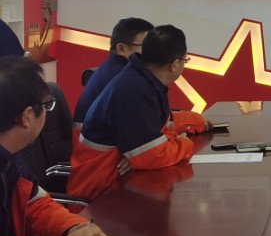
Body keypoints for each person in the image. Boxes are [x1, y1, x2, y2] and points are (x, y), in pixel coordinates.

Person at [0, 56, 113, 236]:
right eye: (46, 104)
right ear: (27, 116)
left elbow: (34, 203)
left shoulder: (11, 159)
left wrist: (73, 227)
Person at [68, 25, 210, 200]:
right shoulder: (134, 88)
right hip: (100, 195)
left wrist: (195, 122)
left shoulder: (146, 79)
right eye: (185, 60)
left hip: (119, 184)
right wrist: (186, 144)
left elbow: (160, 127)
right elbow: (151, 155)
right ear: (174, 65)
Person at [73, 17, 154, 125]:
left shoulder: (114, 66)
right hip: (96, 135)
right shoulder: (125, 78)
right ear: (122, 49)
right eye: (146, 46)